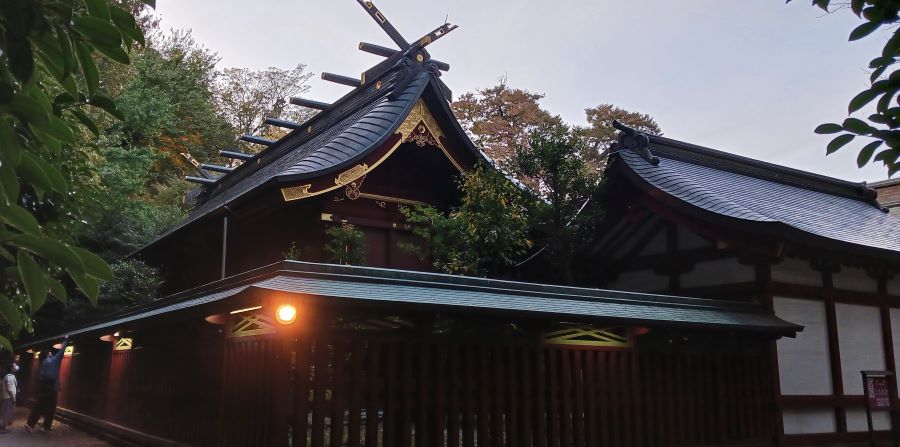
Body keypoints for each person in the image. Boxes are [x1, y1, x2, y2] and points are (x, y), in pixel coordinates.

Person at [25, 336, 68, 433]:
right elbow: (61, 352)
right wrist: (66, 340)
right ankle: (45, 427)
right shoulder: (52, 361)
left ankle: (31, 424)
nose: (51, 352)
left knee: (40, 405)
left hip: (43, 386)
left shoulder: (42, 363)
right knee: (51, 408)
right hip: (51, 387)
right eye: (50, 352)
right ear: (47, 354)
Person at [0, 362, 17, 434]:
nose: (16, 366)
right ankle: (3, 427)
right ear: (11, 368)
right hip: (8, 396)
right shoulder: (9, 376)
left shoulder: (10, 376)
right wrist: (13, 397)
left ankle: (4, 426)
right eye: (15, 365)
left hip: (7, 396)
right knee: (6, 412)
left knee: (6, 411)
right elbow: (9, 388)